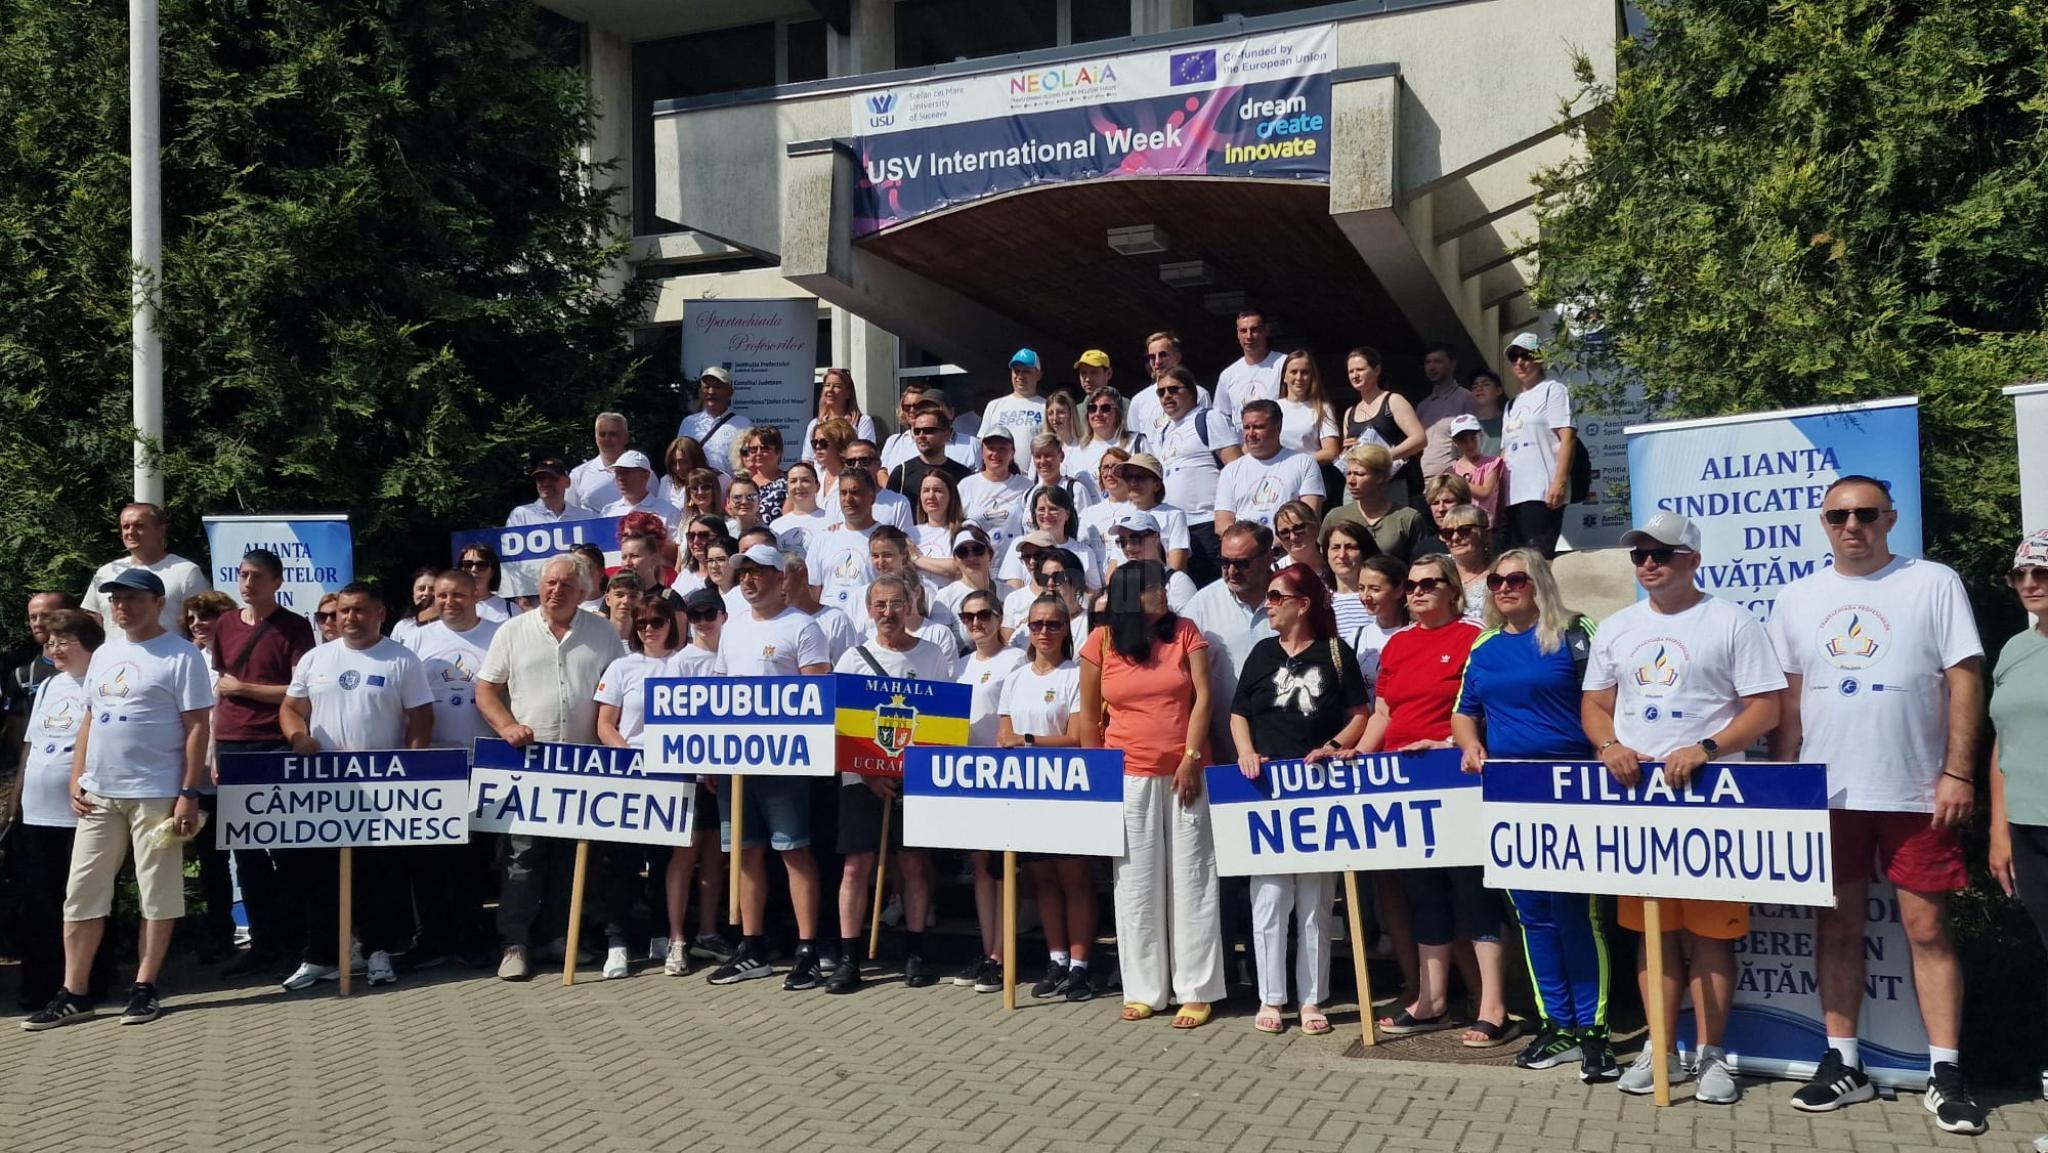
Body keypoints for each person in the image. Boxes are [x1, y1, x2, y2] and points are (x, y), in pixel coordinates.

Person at [1768, 477, 1988, 1131]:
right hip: (1828, 792)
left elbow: (1965, 679)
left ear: (1889, 519)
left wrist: (1959, 771)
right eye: (1838, 515)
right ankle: (1844, 1062)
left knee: (1927, 930)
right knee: (1836, 928)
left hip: (1916, 791)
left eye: (1865, 514)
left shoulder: (1933, 582)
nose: (1852, 525)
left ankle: (1945, 1071)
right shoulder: (1798, 596)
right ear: (1824, 522)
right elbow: (1788, 699)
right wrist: (1785, 781)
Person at [1584, 511, 1783, 1103]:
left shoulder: (1732, 621)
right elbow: (1595, 704)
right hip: (1638, 804)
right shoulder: (1617, 627)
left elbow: (1766, 707)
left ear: (1692, 560)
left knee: (1711, 936)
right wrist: (1610, 745)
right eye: (1639, 555)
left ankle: (1713, 1055)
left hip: (1711, 802)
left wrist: (1706, 748)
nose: (1648, 563)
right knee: (1654, 931)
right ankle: (1661, 1048)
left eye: (1662, 554)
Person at [21, 569, 211, 1031]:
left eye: (132, 598)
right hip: (100, 793)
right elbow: (90, 716)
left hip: (155, 791)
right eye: (116, 599)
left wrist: (188, 792)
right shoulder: (105, 651)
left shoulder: (181, 655)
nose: (121, 606)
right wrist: (77, 776)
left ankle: (144, 986)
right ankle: (74, 993)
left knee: (156, 892)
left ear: (158, 602)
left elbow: (197, 727)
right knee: (82, 892)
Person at [1452, 550, 1613, 1079]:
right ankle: (1557, 1025)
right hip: (1511, 793)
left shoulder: (1575, 632)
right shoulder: (1485, 645)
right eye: (1496, 580)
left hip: (1572, 790)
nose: (1504, 587)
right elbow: (1464, 712)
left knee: (1576, 913)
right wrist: (1470, 744)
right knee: (1533, 915)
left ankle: (1593, 1031)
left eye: (1516, 579)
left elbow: (1606, 701)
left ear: (1539, 582)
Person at [1354, 555, 1502, 1045]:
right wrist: (1356, 754)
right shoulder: (1397, 643)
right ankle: (1431, 1001)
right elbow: (1383, 713)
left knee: (1472, 892)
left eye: (1429, 584)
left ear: (1452, 590)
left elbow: (1485, 710)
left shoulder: (1474, 637)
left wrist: (1448, 743)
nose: (1417, 592)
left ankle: (1493, 1006)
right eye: (1412, 585)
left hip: (1456, 778)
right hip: (1404, 784)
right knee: (1423, 892)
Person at [1080, 561, 1222, 1028]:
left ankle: (1196, 990)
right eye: (1153, 587)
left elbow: (1203, 698)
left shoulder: (1184, 631)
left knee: (1192, 880)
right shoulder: (1101, 641)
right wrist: (1098, 780)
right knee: (1136, 885)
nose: (1163, 592)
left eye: (1162, 585)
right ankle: (1144, 990)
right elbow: (1089, 718)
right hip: (1128, 776)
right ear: (1129, 594)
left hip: (1186, 773)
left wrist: (1192, 757)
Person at [274, 583, 434, 992]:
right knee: (321, 874)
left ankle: (378, 952)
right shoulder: (316, 658)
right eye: (342, 611)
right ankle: (322, 957)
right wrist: (297, 737)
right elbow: (291, 708)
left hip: (381, 784)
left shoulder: (401, 660)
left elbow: (421, 717)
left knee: (378, 874)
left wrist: (411, 770)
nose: (348, 618)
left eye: (359, 610)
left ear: (380, 613)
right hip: (324, 786)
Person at [1231, 565, 1369, 1037]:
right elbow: (1238, 713)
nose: (1268, 604)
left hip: (1317, 787)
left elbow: (1360, 714)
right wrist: (1246, 753)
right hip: (1267, 788)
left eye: (1276, 597)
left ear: (1302, 603)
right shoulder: (1261, 653)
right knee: (1270, 895)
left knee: (1314, 899)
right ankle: (1271, 996)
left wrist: (1333, 746)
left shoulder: (1334, 652)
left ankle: (1312, 999)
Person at [476, 555, 626, 982]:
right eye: (549, 583)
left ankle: (559, 936)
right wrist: (507, 726)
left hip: (583, 763)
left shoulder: (603, 633)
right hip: (528, 763)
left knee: (571, 857)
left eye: (565, 585)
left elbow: (619, 689)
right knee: (522, 856)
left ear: (583, 592)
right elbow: (486, 690)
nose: (556, 590)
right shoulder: (512, 631)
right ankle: (515, 942)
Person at [706, 544, 831, 990]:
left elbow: (817, 695)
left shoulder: (803, 626)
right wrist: (711, 755)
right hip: (737, 762)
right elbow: (719, 693)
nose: (748, 579)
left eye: (758, 571)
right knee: (745, 852)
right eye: (743, 573)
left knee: (794, 850)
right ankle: (752, 947)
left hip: (785, 761)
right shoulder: (733, 628)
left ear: (781, 578)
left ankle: (808, 949)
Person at [826, 576, 958, 994]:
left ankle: (915, 954)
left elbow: (943, 722)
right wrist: (868, 773)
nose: (888, 612)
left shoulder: (931, 654)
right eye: (880, 605)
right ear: (869, 610)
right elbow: (838, 726)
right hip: (860, 778)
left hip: (914, 779)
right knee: (855, 866)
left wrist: (911, 772)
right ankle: (849, 958)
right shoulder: (853, 659)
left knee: (914, 864)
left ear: (909, 606)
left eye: (896, 603)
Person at [208, 547, 317, 977]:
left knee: (288, 850)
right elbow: (220, 689)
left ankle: (297, 941)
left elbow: (298, 690)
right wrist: (214, 749)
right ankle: (263, 943)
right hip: (233, 745)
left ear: (277, 582)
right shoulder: (225, 625)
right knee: (247, 853)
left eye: (257, 576)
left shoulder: (294, 627)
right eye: (243, 574)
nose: (248, 583)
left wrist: (246, 689)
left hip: (276, 743)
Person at [12, 610, 116, 1011]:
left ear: (88, 645)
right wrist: (17, 797)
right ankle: (41, 984)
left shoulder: (101, 683)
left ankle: (89, 981)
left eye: (64, 642)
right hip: (36, 810)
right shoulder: (49, 686)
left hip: (81, 810)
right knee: (39, 900)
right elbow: (31, 745)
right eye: (51, 642)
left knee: (83, 897)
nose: (54, 649)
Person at [402, 569, 503, 968]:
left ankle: (471, 937)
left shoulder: (499, 634)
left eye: (458, 595)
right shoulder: (417, 639)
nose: (448, 602)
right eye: (441, 596)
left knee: (473, 859)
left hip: (484, 758)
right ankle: (431, 938)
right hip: (432, 761)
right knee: (428, 856)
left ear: (475, 593)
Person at [1000, 594, 1097, 1002]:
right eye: (1037, 624)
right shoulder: (1015, 677)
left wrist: (1028, 741)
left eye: (1053, 624)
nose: (1044, 632)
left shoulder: (1076, 675)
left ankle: (1081, 966)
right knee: (1042, 878)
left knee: (1074, 879)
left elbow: (1077, 737)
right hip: (1027, 791)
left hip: (1067, 789)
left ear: (1066, 629)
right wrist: (1019, 743)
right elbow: (1003, 735)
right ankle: (1057, 959)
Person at [593, 594, 687, 980]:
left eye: (657, 621)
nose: (649, 629)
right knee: (624, 864)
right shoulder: (621, 666)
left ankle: (662, 935)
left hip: (676, 775)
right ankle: (617, 944)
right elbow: (605, 724)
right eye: (642, 622)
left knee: (666, 862)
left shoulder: (686, 664)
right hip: (630, 775)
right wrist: (630, 758)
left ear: (670, 624)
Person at [1990, 528, 2048, 1146]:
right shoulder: (2014, 648)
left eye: (2043, 573)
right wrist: (1999, 830)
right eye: (2020, 575)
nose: (2030, 584)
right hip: (2029, 830)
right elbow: (2003, 744)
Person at [954, 587, 1029, 989]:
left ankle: (1003, 954)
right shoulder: (960, 664)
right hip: (970, 775)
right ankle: (988, 952)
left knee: (1004, 867)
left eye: (983, 615)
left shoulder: (1015, 659)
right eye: (968, 617)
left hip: (1006, 772)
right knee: (982, 865)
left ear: (999, 618)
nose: (976, 623)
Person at [669, 587, 734, 967]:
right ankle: (677, 938)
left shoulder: (735, 654)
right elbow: (675, 721)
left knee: (714, 855)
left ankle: (707, 933)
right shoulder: (681, 661)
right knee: (684, 855)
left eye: (710, 613)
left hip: (728, 772)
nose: (704, 622)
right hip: (692, 773)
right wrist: (702, 764)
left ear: (724, 615)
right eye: (695, 615)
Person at [1183, 523, 1279, 765]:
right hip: (1222, 749)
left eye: (1242, 563)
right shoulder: (1201, 604)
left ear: (1268, 558)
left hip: (1287, 745)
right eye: (1224, 562)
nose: (1231, 571)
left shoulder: (1290, 596)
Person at [177, 591, 238, 961]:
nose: (198, 624)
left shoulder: (239, 658)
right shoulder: (187, 659)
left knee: (253, 859)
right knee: (211, 860)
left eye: (206, 616)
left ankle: (274, 935)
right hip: (197, 776)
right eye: (192, 618)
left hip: (236, 768)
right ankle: (219, 935)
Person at [1154, 366, 1242, 585]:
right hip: (1178, 530)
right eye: (1161, 392)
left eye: (1173, 389)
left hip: (1208, 524)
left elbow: (1236, 468)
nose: (1166, 396)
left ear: (1192, 391)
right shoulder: (1164, 432)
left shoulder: (1209, 418)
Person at [1499, 333, 1577, 557]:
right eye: (1514, 357)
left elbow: (1568, 437)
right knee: (1516, 560)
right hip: (1512, 494)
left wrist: (1559, 482)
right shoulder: (1511, 404)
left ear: (1540, 358)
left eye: (1526, 355)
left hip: (1541, 490)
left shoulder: (1554, 390)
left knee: (1539, 557)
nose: (1520, 362)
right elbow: (1505, 451)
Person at [79, 502, 209, 632]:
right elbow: (92, 621)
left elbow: (203, 622)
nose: (131, 532)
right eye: (126, 526)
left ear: (160, 530)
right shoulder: (106, 572)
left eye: (139, 526)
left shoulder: (185, 572)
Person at [1341, 347, 1426, 511]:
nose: (1355, 375)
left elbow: (1419, 439)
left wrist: (1382, 457)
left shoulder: (1393, 401)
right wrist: (1346, 451)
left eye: (1360, 369)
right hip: (1358, 489)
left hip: (1392, 484)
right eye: (1351, 371)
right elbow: (1347, 455)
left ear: (1376, 370)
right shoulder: (1350, 413)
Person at [1323, 444, 1428, 565]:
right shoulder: (1336, 517)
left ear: (1380, 477)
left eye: (1359, 474)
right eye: (1348, 473)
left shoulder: (1408, 518)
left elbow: (1422, 564)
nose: (1351, 481)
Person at [860, 526, 960, 649]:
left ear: (903, 554)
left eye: (887, 555)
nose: (880, 562)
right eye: (875, 556)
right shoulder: (859, 595)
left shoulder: (926, 592)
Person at [807, 469, 883, 616]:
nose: (848, 499)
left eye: (855, 492)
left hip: (869, 623)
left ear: (872, 497)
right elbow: (813, 593)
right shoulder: (822, 539)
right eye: (843, 493)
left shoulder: (887, 539)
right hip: (828, 624)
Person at [958, 428, 1034, 559]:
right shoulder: (966, 485)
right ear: (982, 452)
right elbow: (953, 525)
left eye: (1002, 449)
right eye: (991, 448)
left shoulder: (1027, 486)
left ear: (1012, 453)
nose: (995, 454)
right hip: (975, 563)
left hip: (1017, 564)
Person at [1126, 331, 1213, 439]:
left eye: (1163, 355)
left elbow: (1209, 434)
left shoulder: (1199, 394)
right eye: (1152, 357)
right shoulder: (1138, 401)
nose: (1157, 362)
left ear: (1177, 357)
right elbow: (1134, 441)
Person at [1116, 453, 1192, 573]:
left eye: (1140, 477)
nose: (1133, 482)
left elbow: (1177, 566)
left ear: (1157, 485)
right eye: (1128, 477)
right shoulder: (1123, 518)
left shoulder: (1174, 515)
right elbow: (1115, 563)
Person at [1108, 512, 1197, 612]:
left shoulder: (1177, 583)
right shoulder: (1122, 584)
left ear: (1156, 538)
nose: (1128, 548)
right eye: (1122, 541)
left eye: (1135, 539)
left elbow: (1190, 621)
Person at [1415, 342, 1479, 482]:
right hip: (1425, 482)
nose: (1432, 367)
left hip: (1453, 481)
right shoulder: (1422, 406)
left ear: (1452, 364)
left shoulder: (1466, 398)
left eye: (1438, 361)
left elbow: (1475, 441)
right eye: (1428, 362)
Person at [677, 366, 753, 479]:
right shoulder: (689, 423)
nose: (711, 392)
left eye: (717, 387)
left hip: (729, 489)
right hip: (695, 487)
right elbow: (679, 459)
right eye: (707, 387)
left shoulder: (744, 424)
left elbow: (750, 462)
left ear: (730, 391)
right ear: (700, 392)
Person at [936, 526, 1004, 647]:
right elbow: (940, 644)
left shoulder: (1009, 592)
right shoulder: (945, 597)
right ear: (955, 559)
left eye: (977, 550)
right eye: (963, 552)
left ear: (990, 554)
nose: (971, 557)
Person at [887, 403, 973, 499]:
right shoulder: (901, 473)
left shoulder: (963, 474)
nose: (921, 436)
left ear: (946, 435)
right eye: (917, 431)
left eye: (928, 430)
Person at [1216, 308, 1286, 423]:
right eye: (1243, 331)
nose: (1249, 336)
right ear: (1237, 334)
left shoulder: (1284, 364)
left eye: (1254, 330)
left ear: (1266, 330)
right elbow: (1221, 418)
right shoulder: (1227, 375)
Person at [1274, 350, 1342, 466]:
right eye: (1293, 372)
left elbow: (1331, 452)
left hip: (1309, 471)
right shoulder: (1272, 407)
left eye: (1304, 372)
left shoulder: (1323, 408)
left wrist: (1295, 464)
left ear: (1312, 377)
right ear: (1284, 376)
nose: (1299, 377)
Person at [1072, 382, 1149, 478]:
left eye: (1105, 408)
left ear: (1118, 413)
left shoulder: (1137, 442)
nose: (1098, 413)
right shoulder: (1076, 450)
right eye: (1092, 408)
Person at [909, 472, 966, 593]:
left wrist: (916, 558)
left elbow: (959, 568)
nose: (931, 496)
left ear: (951, 496)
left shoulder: (964, 531)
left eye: (938, 490)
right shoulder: (910, 534)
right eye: (926, 490)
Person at [802, 367, 875, 463]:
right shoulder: (814, 424)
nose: (830, 390)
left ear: (848, 393)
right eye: (827, 385)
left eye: (837, 386)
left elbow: (866, 456)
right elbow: (808, 460)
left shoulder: (861, 422)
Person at [602, 449, 683, 531]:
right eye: (617, 472)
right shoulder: (608, 511)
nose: (620, 477)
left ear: (646, 476)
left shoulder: (668, 512)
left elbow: (675, 539)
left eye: (626, 472)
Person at [1438, 504, 1494, 623]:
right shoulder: (1437, 569)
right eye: (1448, 533)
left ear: (1485, 534)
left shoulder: (1499, 573)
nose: (1455, 538)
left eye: (1464, 531)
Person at [1323, 521, 1378, 639]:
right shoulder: (1321, 602)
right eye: (1335, 547)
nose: (1342, 555)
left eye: (1350, 547)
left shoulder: (1378, 599)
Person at [1447, 415, 1504, 528]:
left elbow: (1485, 492)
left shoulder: (1492, 463)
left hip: (1485, 524)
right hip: (1461, 524)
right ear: (1455, 443)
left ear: (1481, 435)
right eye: (1463, 440)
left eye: (1473, 438)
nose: (1469, 444)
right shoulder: (1453, 469)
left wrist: (1458, 481)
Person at [982, 348, 1049, 442]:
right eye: (1016, 371)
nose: (1020, 376)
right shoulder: (993, 406)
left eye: (1026, 371)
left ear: (1038, 375)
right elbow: (982, 442)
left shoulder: (1048, 407)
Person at [568, 412, 631, 510]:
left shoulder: (644, 474)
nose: (607, 439)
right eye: (602, 434)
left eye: (613, 434)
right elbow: (568, 513)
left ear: (626, 437)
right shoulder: (578, 475)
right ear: (596, 438)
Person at [1026, 431, 1099, 515]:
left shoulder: (1075, 490)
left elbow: (1086, 521)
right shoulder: (1029, 494)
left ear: (1061, 456)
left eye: (1048, 455)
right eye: (1038, 457)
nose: (1043, 461)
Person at [508, 458, 595, 526]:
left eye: (553, 478)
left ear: (568, 482)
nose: (546, 483)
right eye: (540, 479)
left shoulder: (586, 517)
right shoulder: (521, 515)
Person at [770, 460, 831, 557]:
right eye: (793, 481)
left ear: (817, 486)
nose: (799, 486)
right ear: (787, 487)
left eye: (805, 480)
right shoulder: (775, 526)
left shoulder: (830, 520)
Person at [456, 543, 524, 622]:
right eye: (468, 564)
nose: (474, 570)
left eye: (482, 565)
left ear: (493, 571)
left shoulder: (511, 610)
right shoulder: (450, 607)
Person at [735, 425, 789, 522]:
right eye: (753, 449)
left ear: (778, 451)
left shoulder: (789, 482)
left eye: (765, 448)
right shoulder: (743, 483)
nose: (758, 453)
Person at [657, 437, 720, 512]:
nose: (678, 468)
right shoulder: (667, 480)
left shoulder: (718, 478)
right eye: (673, 463)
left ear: (696, 458)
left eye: (683, 462)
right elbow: (660, 511)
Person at [1272, 501, 1327, 580]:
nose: (1293, 537)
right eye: (1284, 532)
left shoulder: (1336, 566)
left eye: (1298, 528)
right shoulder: (1274, 573)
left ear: (1315, 526)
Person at [389, 568, 441, 647]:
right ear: (413, 594)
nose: (426, 593)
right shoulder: (402, 627)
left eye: (432, 589)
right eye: (421, 589)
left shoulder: (450, 626)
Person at [1469, 368, 1506, 458]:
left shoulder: (1509, 421)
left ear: (1498, 390)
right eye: (1475, 386)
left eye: (1486, 385)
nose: (1479, 389)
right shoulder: (1466, 424)